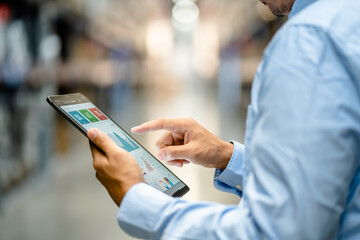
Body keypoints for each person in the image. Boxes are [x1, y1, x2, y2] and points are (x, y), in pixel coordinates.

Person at [87, 0, 360, 239]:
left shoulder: (311, 40)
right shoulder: (346, 19)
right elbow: (327, 169)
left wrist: (137, 199)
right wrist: (227, 156)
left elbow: (276, 233)